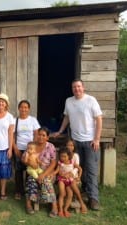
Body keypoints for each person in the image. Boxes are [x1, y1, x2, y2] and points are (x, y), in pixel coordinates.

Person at [53, 78, 103, 210]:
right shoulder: (69, 101)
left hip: (90, 141)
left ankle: (93, 199)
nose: (77, 89)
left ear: (83, 87)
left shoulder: (91, 100)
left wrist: (97, 139)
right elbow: (67, 117)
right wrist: (60, 131)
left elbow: (99, 119)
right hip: (75, 142)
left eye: (79, 86)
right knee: (75, 168)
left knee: (91, 169)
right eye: (74, 87)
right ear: (72, 89)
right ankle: (79, 192)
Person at [22, 127, 58, 217]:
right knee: (31, 180)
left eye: (43, 135)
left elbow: (53, 163)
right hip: (34, 171)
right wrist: (29, 162)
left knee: (46, 180)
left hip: (47, 172)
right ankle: (28, 204)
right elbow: (24, 159)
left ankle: (54, 206)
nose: (41, 137)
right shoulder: (31, 145)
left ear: (47, 137)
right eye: (39, 134)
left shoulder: (50, 146)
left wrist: (43, 174)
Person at [13, 100, 40, 200]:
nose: (23, 109)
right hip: (19, 148)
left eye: (26, 107)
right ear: (19, 108)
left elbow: (36, 133)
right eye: (22, 107)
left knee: (30, 170)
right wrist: (15, 148)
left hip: (30, 150)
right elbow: (12, 135)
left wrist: (33, 148)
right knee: (18, 170)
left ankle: (29, 190)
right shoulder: (15, 120)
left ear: (29, 109)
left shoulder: (32, 120)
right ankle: (18, 191)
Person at [51, 147, 86, 217]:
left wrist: (79, 177)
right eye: (61, 156)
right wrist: (52, 174)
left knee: (70, 194)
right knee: (62, 194)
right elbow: (57, 171)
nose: (63, 158)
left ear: (69, 156)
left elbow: (80, 169)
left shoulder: (72, 162)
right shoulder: (60, 163)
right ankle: (60, 210)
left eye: (65, 156)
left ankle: (65, 209)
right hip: (62, 180)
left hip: (70, 180)